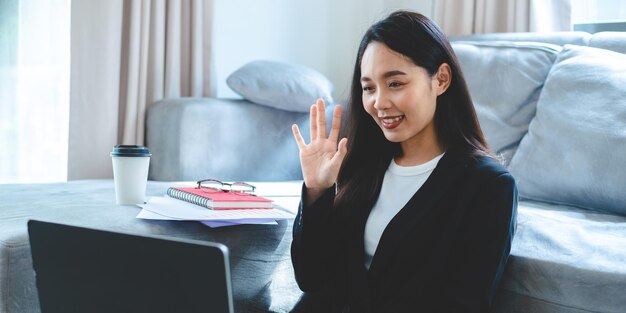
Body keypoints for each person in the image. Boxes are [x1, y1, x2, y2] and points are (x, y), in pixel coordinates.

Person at [290, 10, 518, 313]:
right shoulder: (361, 165)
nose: (379, 102)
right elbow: (311, 278)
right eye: (369, 87)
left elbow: (464, 303)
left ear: (441, 79)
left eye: (395, 83)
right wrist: (317, 190)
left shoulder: (488, 186)